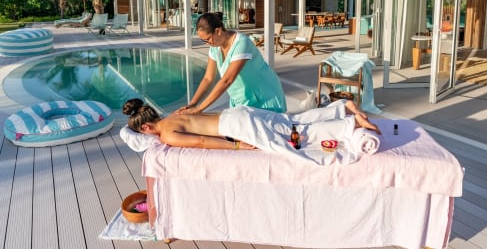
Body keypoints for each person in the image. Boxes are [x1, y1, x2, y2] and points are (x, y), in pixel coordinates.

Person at [123, 97, 380, 151]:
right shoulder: (174, 115)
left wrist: (237, 147)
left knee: (293, 137)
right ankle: (340, 108)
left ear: (146, 128)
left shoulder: (166, 133)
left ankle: (349, 127)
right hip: (235, 113)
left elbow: (202, 141)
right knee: (288, 121)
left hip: (237, 127)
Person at [176, 12, 287, 114]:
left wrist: (199, 109)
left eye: (207, 39)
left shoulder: (241, 44)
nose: (207, 43)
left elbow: (227, 81)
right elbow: (208, 78)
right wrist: (192, 104)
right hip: (241, 100)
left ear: (218, 31)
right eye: (203, 41)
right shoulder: (215, 47)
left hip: (264, 97)